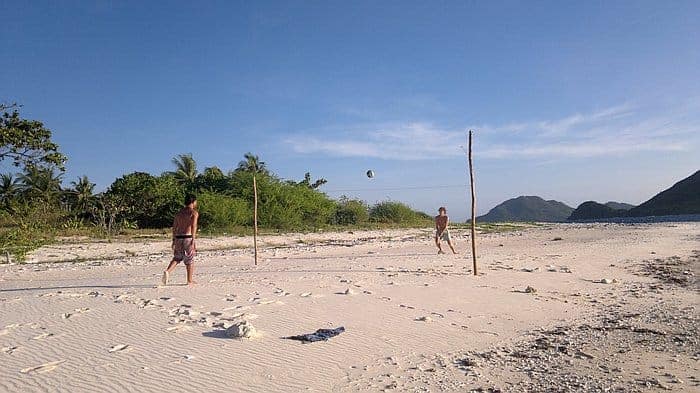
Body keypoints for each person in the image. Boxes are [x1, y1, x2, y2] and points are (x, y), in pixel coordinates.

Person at [161, 195, 199, 286]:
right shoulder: (193, 213)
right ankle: (189, 280)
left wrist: (173, 239)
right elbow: (194, 226)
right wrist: (193, 239)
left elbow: (175, 227)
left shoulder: (179, 213)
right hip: (188, 236)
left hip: (178, 237)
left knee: (177, 257)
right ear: (193, 202)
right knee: (189, 259)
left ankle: (168, 271)